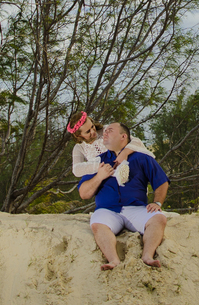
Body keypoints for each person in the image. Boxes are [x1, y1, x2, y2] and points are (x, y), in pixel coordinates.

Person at [78, 121, 169, 270]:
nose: (105, 133)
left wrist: (157, 203)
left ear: (123, 136)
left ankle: (147, 256)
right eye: (105, 131)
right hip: (108, 210)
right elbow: (84, 193)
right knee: (97, 224)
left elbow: (161, 181)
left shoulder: (141, 158)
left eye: (110, 130)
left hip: (136, 208)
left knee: (159, 218)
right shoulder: (98, 161)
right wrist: (99, 176)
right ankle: (114, 260)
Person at [67, 109, 154, 178]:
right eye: (87, 131)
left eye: (92, 126)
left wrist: (125, 152)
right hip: (106, 181)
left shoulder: (106, 130)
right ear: (79, 135)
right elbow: (76, 170)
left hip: (128, 171)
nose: (93, 131)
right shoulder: (79, 148)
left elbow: (135, 141)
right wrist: (100, 167)